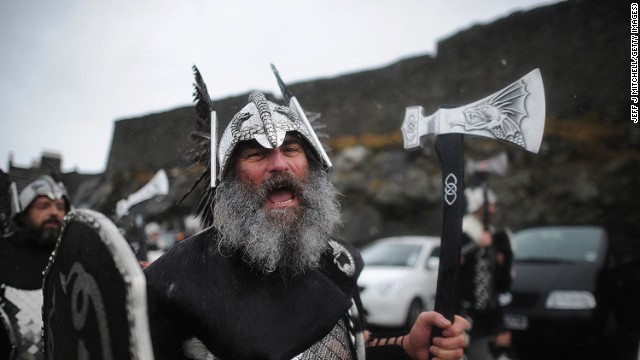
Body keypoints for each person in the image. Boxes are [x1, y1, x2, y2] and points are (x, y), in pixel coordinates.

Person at [144, 72, 468, 360]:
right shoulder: (175, 283)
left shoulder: (339, 263)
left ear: (310, 166)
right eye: (256, 154)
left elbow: (355, 348)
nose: (279, 164)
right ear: (228, 179)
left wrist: (406, 348)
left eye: (291, 149)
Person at [0, 174, 72, 359]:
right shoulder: (3, 254)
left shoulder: (74, 258)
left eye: (60, 207)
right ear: (23, 213)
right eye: (43, 206)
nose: (54, 213)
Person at [458, 187, 516, 360]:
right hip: (468, 299)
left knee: (501, 337)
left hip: (490, 298)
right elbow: (453, 259)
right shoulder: (464, 228)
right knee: (461, 339)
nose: (493, 209)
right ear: (480, 206)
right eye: (489, 205)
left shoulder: (492, 231)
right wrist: (477, 245)